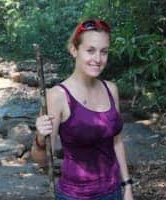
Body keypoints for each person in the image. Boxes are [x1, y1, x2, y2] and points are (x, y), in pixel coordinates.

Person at [31, 19, 134, 200]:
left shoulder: (111, 89)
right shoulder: (57, 96)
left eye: (104, 52)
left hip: (114, 191)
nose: (98, 59)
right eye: (90, 50)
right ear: (74, 50)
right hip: (75, 196)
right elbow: (42, 160)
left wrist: (127, 186)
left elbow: (117, 142)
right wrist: (40, 138)